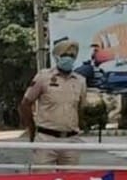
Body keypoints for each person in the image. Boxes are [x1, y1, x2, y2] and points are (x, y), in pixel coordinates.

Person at [19, 37, 88, 167]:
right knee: (43, 178)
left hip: (71, 140)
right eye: (65, 55)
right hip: (46, 139)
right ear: (57, 57)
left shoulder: (80, 81)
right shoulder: (43, 77)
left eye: (72, 56)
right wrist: (32, 131)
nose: (69, 58)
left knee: (71, 179)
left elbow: (80, 109)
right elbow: (25, 104)